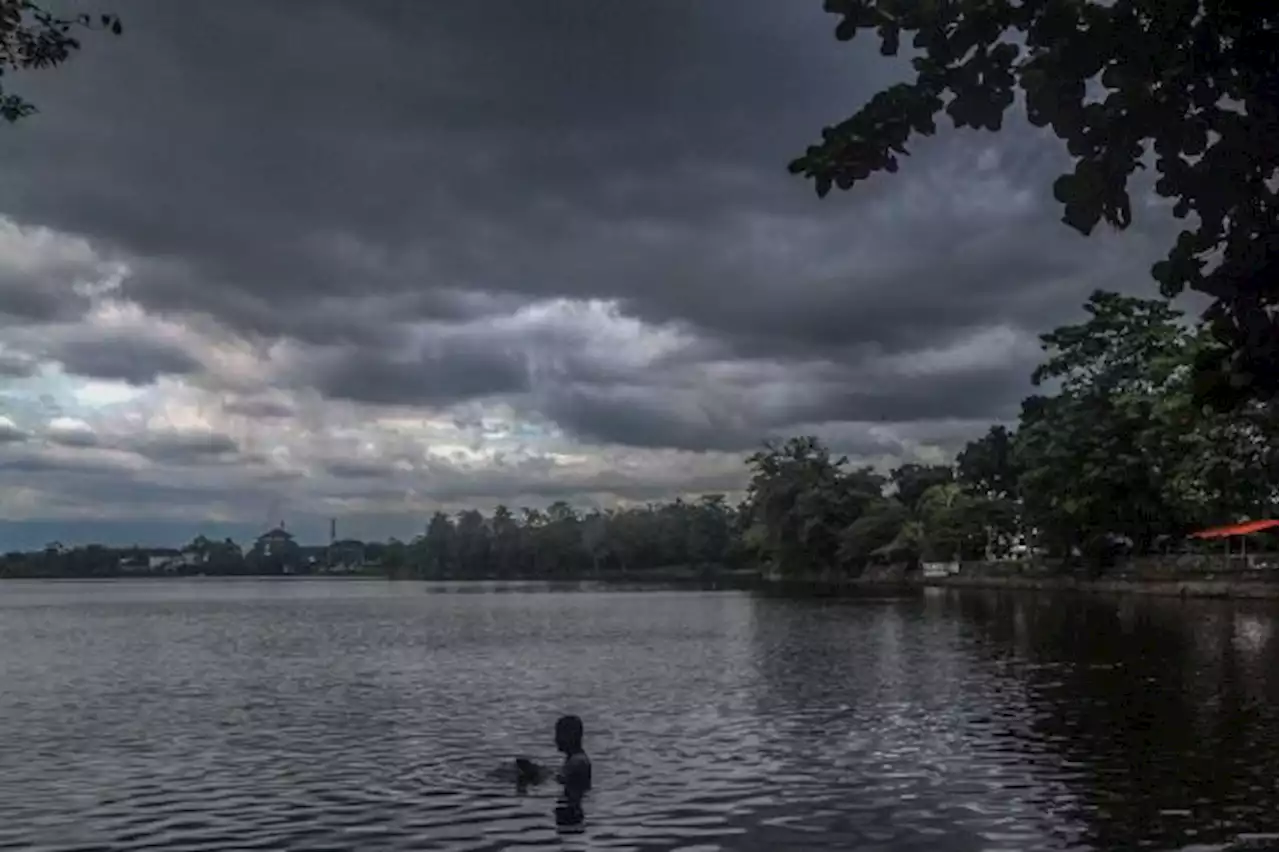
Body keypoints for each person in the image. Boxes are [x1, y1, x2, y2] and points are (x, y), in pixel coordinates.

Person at [553, 714, 591, 807]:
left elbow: (560, 779)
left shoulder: (577, 761)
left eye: (559, 735)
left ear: (570, 736)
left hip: (573, 798)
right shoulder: (574, 759)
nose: (555, 739)